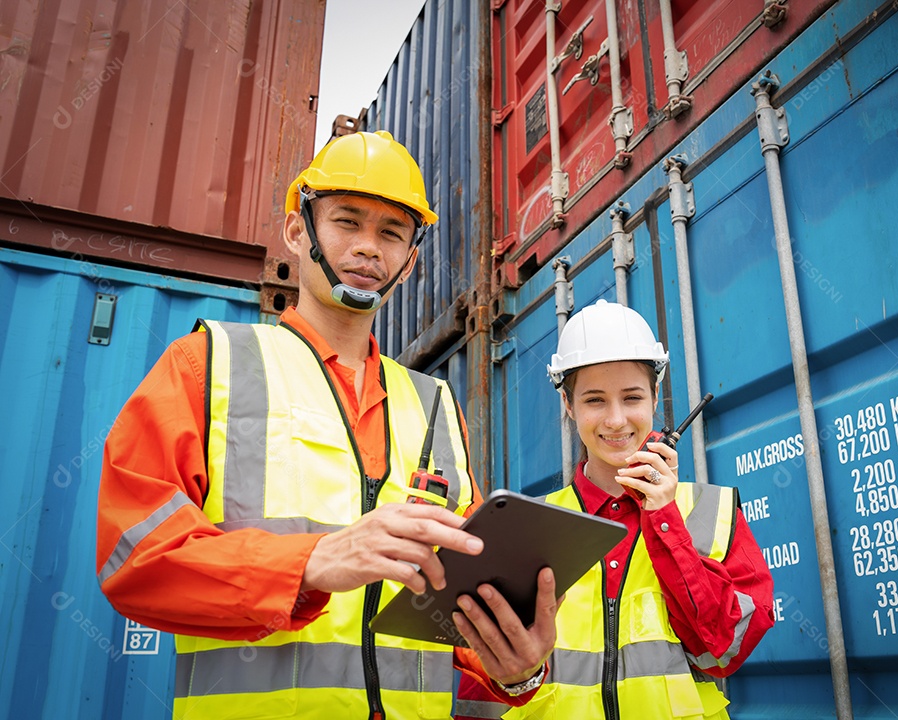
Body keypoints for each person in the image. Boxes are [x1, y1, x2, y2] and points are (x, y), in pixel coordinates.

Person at [96, 131, 557, 719]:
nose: (369, 248)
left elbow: (451, 618)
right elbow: (134, 558)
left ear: (410, 259)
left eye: (392, 232)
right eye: (347, 222)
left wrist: (514, 671)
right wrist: (310, 563)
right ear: (297, 231)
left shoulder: (437, 405)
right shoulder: (207, 365)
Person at [454, 299, 775, 720]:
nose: (617, 419)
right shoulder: (525, 526)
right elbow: (482, 684)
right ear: (568, 406)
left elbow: (721, 653)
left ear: (656, 398)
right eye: (594, 401)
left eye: (632, 397)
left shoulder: (711, 513)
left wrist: (665, 520)